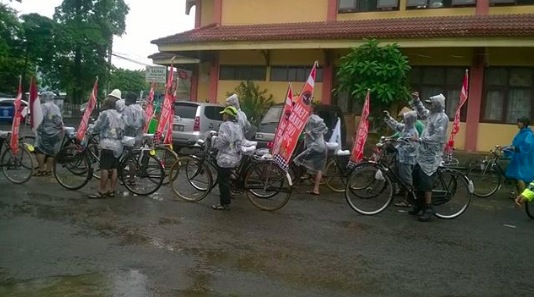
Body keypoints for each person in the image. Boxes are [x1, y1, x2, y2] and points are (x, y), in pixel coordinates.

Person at [410, 92, 449, 222]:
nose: (429, 106)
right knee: (416, 178)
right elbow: (422, 111)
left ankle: (428, 207)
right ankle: (419, 204)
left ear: (437, 105)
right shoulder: (431, 115)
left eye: (431, 103)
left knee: (426, 182)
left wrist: (421, 139)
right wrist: (417, 100)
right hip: (422, 154)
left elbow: (438, 137)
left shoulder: (443, 118)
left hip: (432, 155)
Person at [88, 98, 125, 199]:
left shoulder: (105, 114)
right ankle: (112, 190)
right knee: (114, 168)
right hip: (119, 145)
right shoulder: (120, 114)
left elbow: (98, 126)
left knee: (104, 167)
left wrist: (91, 128)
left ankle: (102, 190)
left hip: (108, 144)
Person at [384, 109, 420, 208]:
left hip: (407, 160)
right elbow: (396, 125)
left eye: (405, 118)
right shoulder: (406, 128)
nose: (403, 120)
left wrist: (398, 147)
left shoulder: (413, 132)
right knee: (401, 177)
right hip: (402, 158)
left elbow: (412, 147)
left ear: (410, 120)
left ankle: (409, 200)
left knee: (407, 180)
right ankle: (404, 193)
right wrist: (388, 118)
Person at [212, 106, 244, 210]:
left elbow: (223, 139)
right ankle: (228, 195)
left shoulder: (224, 125)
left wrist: (215, 144)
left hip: (225, 157)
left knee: (223, 181)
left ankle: (224, 204)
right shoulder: (237, 126)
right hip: (234, 156)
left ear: (227, 115)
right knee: (227, 178)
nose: (223, 115)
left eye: (224, 114)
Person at [293, 105, 328, 196]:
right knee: (319, 169)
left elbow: (323, 127)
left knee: (297, 160)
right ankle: (316, 189)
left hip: (315, 147)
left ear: (312, 109)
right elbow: (325, 129)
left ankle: (296, 181)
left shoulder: (313, 118)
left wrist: (312, 132)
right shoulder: (310, 119)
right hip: (321, 147)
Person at [34, 91, 64, 176]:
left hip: (45, 132)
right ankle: (48, 170)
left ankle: (41, 169)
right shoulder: (56, 107)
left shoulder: (43, 106)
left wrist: (36, 126)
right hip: (56, 132)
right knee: (51, 151)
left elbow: (40, 118)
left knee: (38, 150)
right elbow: (58, 120)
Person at [505, 117, 534, 197]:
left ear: (524, 123)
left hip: (524, 159)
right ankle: (519, 194)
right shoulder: (520, 133)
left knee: (520, 177)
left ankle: (522, 196)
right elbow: (514, 144)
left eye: (520, 122)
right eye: (518, 122)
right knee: (516, 176)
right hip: (517, 158)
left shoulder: (528, 134)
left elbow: (528, 146)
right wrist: (505, 147)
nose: (518, 123)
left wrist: (517, 148)